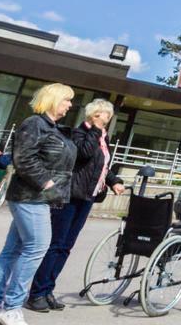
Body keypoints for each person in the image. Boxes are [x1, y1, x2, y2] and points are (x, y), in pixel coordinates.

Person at [0, 84, 76, 325]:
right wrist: (48, 185)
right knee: (36, 248)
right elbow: (23, 158)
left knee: (13, 251)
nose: (70, 105)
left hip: (36, 197)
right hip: (32, 198)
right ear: (53, 99)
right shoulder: (35, 124)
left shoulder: (52, 128)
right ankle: (11, 307)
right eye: (67, 100)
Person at [26, 98, 125, 312]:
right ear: (91, 116)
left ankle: (48, 289)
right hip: (69, 195)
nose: (105, 119)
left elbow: (101, 165)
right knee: (56, 244)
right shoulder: (79, 133)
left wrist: (114, 181)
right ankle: (37, 293)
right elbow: (84, 153)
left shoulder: (102, 138)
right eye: (100, 115)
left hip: (87, 196)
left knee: (66, 247)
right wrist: (95, 131)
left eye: (107, 115)